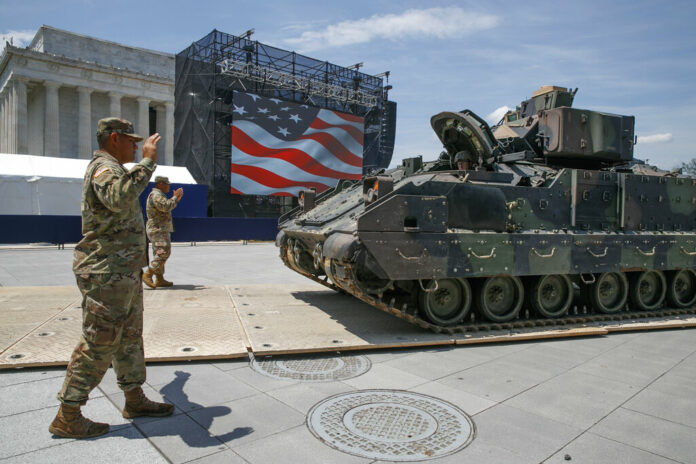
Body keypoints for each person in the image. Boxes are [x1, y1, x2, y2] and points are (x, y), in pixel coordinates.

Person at [49, 117, 174, 439]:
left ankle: (134, 398)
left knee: (129, 338)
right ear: (114, 138)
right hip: (105, 272)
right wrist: (147, 160)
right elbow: (118, 198)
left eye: (138, 143)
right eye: (131, 141)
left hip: (122, 271)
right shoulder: (104, 168)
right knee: (99, 342)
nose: (136, 145)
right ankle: (68, 414)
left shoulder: (115, 168)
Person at [142, 176, 183, 288]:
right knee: (164, 252)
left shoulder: (158, 195)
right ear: (160, 184)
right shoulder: (156, 195)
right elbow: (165, 207)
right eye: (167, 184)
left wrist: (176, 199)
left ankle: (159, 279)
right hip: (158, 228)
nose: (168, 186)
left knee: (158, 252)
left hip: (159, 228)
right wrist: (175, 197)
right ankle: (148, 274)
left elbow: (166, 206)